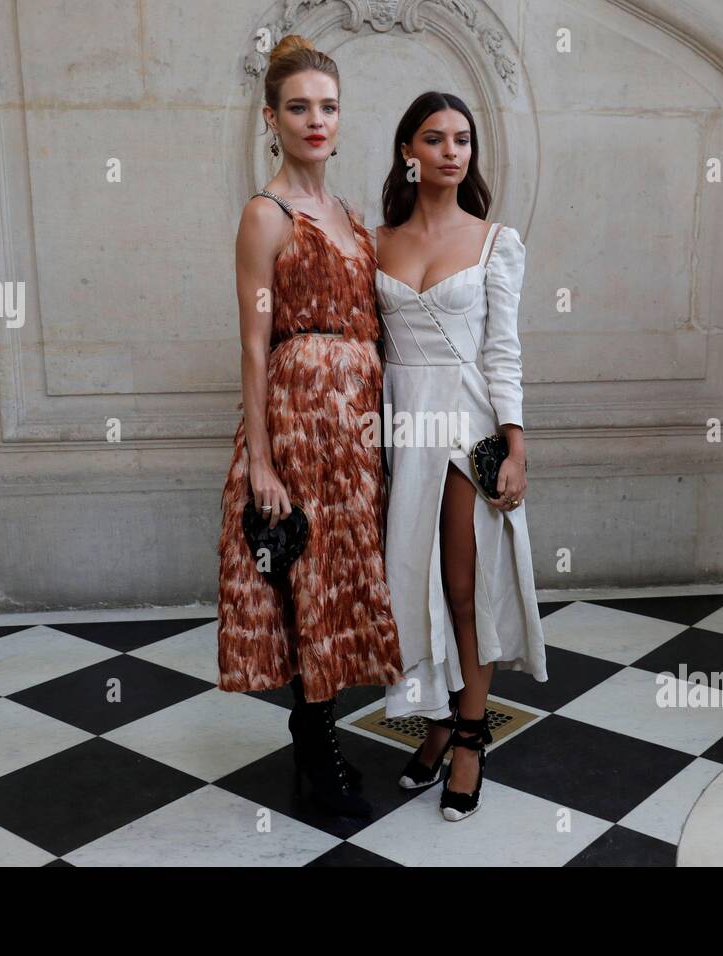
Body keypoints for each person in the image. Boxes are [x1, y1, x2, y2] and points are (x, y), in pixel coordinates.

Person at [215, 35, 403, 819]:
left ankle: (318, 726)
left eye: (327, 107)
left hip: (355, 424)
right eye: (299, 108)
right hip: (296, 421)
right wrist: (261, 462)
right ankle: (316, 744)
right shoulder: (266, 215)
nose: (315, 120)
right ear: (272, 118)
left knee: (344, 578)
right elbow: (255, 344)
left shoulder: (350, 215)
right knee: (307, 577)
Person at [374, 91, 548, 821]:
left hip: (466, 428)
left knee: (462, 581)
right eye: (435, 138)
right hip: (399, 427)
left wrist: (515, 444)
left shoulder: (493, 242)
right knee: (411, 583)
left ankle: (471, 736)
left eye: (463, 140)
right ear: (408, 152)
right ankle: (440, 717)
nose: (451, 151)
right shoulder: (374, 242)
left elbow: (502, 350)